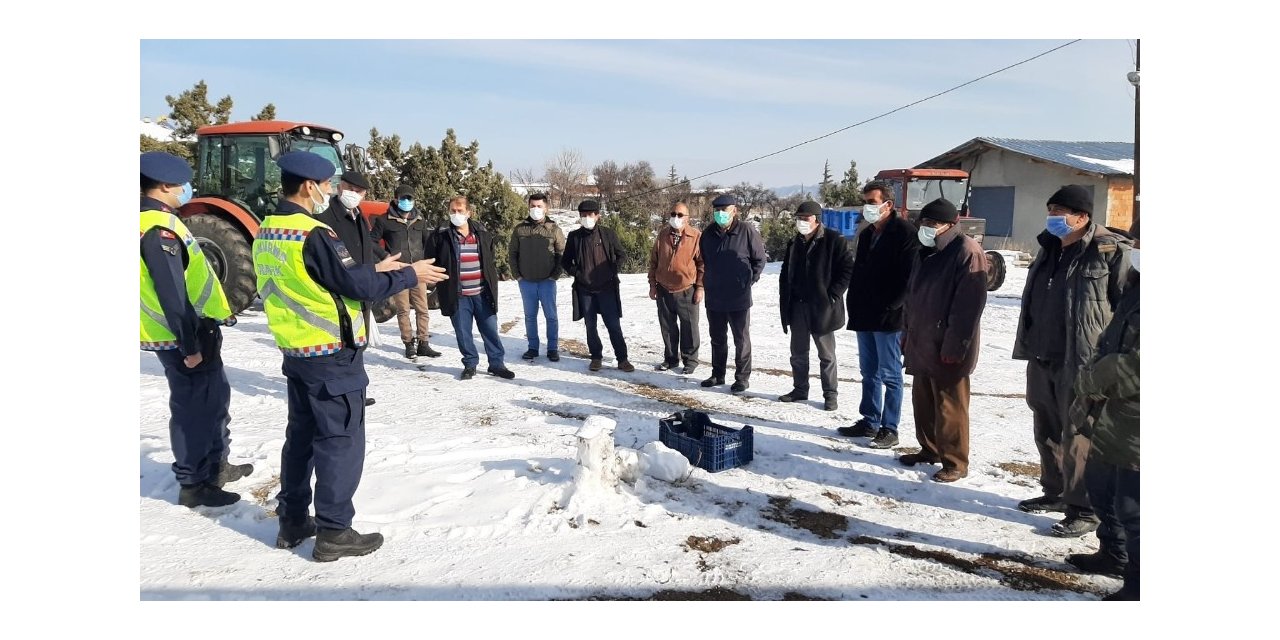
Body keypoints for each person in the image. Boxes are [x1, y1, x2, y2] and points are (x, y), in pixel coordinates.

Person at [252, 151, 447, 561]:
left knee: (301, 439)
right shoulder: (313, 232)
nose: (328, 191)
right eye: (325, 185)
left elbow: (324, 280)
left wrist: (376, 270)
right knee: (340, 441)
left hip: (297, 351)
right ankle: (335, 531)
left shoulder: (268, 230)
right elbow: (354, 286)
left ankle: (292, 520)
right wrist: (410, 274)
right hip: (331, 357)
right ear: (309, 186)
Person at [1012, 185, 1132, 536]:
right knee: (1046, 426)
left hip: (1082, 361)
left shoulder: (1108, 252)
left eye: (1061, 211)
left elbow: (1127, 308)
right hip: (1043, 355)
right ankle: (1056, 491)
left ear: (1083, 216)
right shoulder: (1048, 249)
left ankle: (1085, 508)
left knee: (1079, 434)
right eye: (1050, 209)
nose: (1053, 216)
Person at [140, 151, 251, 509]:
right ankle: (193, 482)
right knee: (193, 408)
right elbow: (171, 293)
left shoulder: (157, 220)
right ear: (166, 185)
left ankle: (216, 465)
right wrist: (189, 344)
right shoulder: (157, 228)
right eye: (182, 184)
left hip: (194, 330)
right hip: (183, 335)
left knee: (214, 398)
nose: (188, 189)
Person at [1065, 218, 1140, 601]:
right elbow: (1111, 337)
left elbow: (1137, 364)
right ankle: (1113, 552)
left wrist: (1095, 377)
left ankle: (1140, 585)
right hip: (1111, 410)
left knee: (1133, 505)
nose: (1137, 250)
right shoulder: (1136, 287)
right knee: (1101, 486)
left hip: (1137, 417)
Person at [897, 199, 988, 483]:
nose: (926, 228)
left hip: (948, 344)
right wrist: (907, 333)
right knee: (923, 400)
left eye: (932, 224)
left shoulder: (966, 252)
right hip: (921, 339)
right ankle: (930, 449)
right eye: (923, 223)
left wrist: (955, 346)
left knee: (950, 405)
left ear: (950, 224)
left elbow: (968, 309)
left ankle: (955, 461)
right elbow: (912, 297)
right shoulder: (925, 250)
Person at [838, 181, 921, 447]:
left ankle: (890, 427)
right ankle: (870, 421)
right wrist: (854, 303)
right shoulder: (866, 233)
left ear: (888, 204)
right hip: (864, 314)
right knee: (868, 372)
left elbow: (909, 276)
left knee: (890, 374)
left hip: (889, 317)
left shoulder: (906, 233)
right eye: (866, 202)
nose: (867, 207)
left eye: (872, 202)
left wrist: (892, 306)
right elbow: (859, 272)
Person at [318, 170, 390, 406]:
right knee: (343, 347)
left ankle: (355, 391)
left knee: (358, 345)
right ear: (340, 188)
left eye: (359, 192)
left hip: (361, 290)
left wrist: (379, 263)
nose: (354, 195)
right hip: (341, 292)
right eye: (350, 189)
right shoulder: (327, 218)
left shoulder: (359, 215)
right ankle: (341, 394)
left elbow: (365, 248)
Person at [425, 196, 514, 380]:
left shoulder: (482, 233)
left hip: (482, 293)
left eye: (460, 211)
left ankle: (497, 364)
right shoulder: (440, 235)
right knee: (463, 333)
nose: (456, 214)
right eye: (452, 211)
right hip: (457, 295)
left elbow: (490, 260)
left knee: (490, 330)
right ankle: (470, 364)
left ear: (468, 213)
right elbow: (430, 261)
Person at [778, 201, 853, 411]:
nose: (801, 222)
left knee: (826, 355)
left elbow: (847, 269)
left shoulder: (833, 240)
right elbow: (786, 272)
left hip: (822, 308)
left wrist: (832, 296)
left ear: (817, 220)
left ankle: (830, 394)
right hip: (798, 307)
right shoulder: (794, 243)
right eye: (798, 218)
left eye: (805, 218)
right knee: (798, 353)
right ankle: (800, 389)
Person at [699, 194, 766, 393]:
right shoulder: (708, 234)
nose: (720, 214)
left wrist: (748, 281)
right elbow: (705, 260)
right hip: (715, 296)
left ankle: (742, 378)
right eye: (717, 210)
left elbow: (759, 260)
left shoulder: (746, 231)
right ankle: (718, 374)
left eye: (724, 210)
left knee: (741, 339)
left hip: (739, 297)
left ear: (734, 211)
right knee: (717, 338)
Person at [370, 184, 441, 361]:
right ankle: (408, 343)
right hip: (399, 272)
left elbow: (427, 242)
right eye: (404, 198)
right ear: (396, 200)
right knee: (403, 310)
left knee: (422, 309)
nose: (407, 202)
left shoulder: (420, 220)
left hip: (419, 271)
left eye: (410, 198)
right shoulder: (384, 220)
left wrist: (430, 261)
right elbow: (371, 241)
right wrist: (386, 256)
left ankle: (423, 343)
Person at [561, 200, 633, 372]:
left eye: (590, 215)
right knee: (590, 326)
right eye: (583, 215)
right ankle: (596, 357)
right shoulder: (574, 237)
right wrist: (578, 273)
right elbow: (565, 261)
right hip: (585, 290)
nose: (587, 218)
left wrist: (612, 270)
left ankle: (622, 359)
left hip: (607, 288)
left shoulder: (608, 234)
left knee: (613, 325)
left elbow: (621, 255)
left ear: (597, 216)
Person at [648, 201, 704, 374]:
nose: (676, 218)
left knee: (689, 327)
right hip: (664, 288)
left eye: (680, 215)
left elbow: (702, 264)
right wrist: (652, 285)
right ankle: (671, 359)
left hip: (687, 289)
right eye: (673, 214)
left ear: (688, 218)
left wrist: (700, 287)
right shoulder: (662, 235)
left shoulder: (695, 236)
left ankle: (690, 361)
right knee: (667, 326)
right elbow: (653, 261)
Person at [509, 192, 566, 362]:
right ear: (528, 207)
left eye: (539, 206)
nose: (536, 209)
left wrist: (555, 275)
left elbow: (561, 253)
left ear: (546, 207)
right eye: (533, 206)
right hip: (526, 282)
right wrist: (517, 275)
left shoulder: (554, 229)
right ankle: (533, 348)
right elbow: (512, 253)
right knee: (530, 316)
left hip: (547, 281)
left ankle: (552, 348)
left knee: (551, 316)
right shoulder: (520, 229)